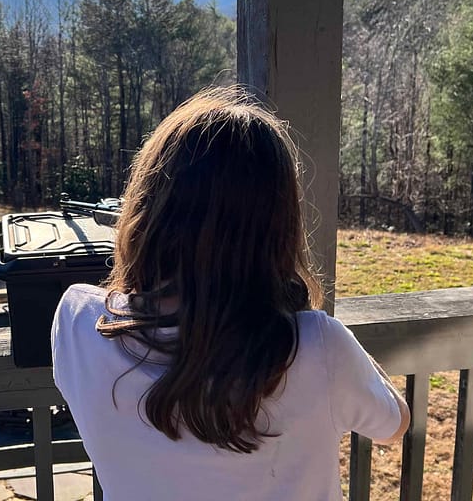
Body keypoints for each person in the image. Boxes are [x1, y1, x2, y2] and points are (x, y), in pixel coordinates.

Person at [51, 87, 409, 500]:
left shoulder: (78, 321)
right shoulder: (315, 344)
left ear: (148, 206)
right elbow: (394, 424)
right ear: (279, 228)